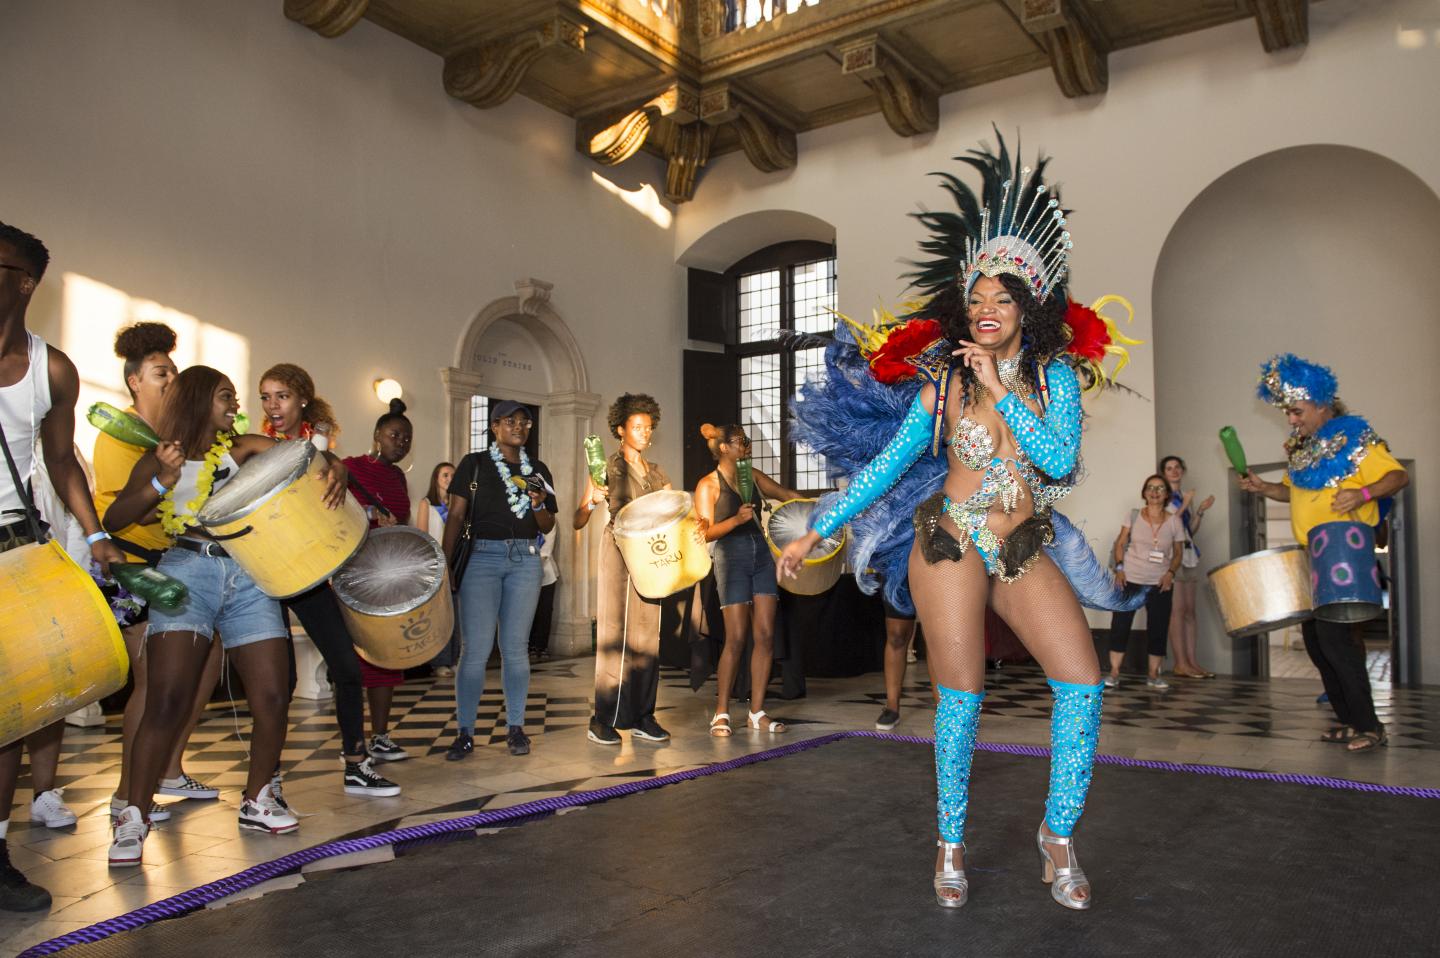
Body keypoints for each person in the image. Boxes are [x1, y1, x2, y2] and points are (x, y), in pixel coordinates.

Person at [782, 141, 1144, 911]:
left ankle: (1059, 834)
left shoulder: (1057, 382)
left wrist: (1002, 393)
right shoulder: (943, 384)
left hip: (1018, 542)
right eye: (976, 298)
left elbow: (1058, 462)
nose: (985, 310)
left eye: (1002, 300)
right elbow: (886, 463)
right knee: (962, 697)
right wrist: (821, 526)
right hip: (946, 539)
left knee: (1081, 685)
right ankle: (949, 843)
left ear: (1028, 309)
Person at [104, 365, 348, 865]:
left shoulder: (244, 448)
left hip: (250, 575)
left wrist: (337, 468)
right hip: (188, 572)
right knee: (167, 699)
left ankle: (259, 797)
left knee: (275, 693)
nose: (236, 406)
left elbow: (311, 455)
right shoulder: (160, 456)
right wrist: (161, 481)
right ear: (197, 399)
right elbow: (115, 518)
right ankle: (133, 811)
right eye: (226, 397)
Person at [0, 222, 125, 909]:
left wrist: (97, 532)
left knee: (11, 714)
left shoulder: (53, 369)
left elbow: (56, 461)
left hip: (15, 547)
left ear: (25, 282)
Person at [1239, 354, 1408, 753]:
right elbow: (1293, 493)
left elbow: (1398, 475)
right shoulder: (1302, 449)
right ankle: (1349, 720)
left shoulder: (1353, 437)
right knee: (1317, 642)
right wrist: (1266, 489)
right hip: (1310, 551)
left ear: (1320, 403)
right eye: (1289, 413)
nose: (1292, 420)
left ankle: (1370, 725)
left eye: (1297, 411)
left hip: (1341, 548)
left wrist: (1363, 493)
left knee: (1336, 640)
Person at [96, 323, 223, 823]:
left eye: (173, 372)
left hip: (176, 561)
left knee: (207, 661)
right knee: (151, 679)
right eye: (160, 373)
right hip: (131, 563)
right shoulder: (119, 434)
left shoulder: (175, 435)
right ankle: (129, 793)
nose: (170, 381)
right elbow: (124, 510)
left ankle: (170, 768)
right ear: (135, 381)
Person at [258, 364, 399, 797]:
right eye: (265, 397)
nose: (272, 405)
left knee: (345, 665)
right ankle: (267, 777)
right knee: (276, 682)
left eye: (281, 396)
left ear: (302, 398)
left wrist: (333, 463)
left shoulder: (319, 449)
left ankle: (356, 764)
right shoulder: (258, 445)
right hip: (264, 569)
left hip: (309, 571)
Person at [441, 401, 556, 759]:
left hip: (524, 558)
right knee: (474, 650)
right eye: (511, 420)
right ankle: (465, 732)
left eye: (525, 421)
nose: (519, 426)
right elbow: (456, 516)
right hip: (481, 558)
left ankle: (516, 728)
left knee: (515, 649)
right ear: (495, 426)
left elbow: (548, 523)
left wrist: (538, 504)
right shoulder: (473, 464)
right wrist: (444, 567)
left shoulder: (537, 469)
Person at [574, 393, 673, 746]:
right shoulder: (606, 468)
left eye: (649, 427)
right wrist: (591, 500)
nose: (645, 433)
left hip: (651, 555)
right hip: (617, 550)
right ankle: (603, 718)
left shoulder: (658, 473)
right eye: (637, 427)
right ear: (620, 429)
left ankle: (643, 715)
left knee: (648, 635)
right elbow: (577, 519)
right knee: (614, 634)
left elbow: (671, 511)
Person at [694, 423, 803, 737]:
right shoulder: (708, 485)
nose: (747, 446)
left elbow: (786, 495)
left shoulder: (751, 475)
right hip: (731, 556)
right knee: (737, 638)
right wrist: (735, 520)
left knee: (766, 635)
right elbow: (703, 533)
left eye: (747, 441)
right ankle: (721, 712)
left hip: (761, 554)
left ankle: (757, 712)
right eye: (741, 441)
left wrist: (817, 508)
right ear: (724, 447)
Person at [343, 399, 415, 762]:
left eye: (406, 439)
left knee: (387, 656)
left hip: (385, 571)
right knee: (354, 660)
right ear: (377, 436)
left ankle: (381, 735)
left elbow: (402, 522)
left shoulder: (399, 477)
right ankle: (354, 742)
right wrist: (372, 514)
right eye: (394, 435)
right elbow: (335, 509)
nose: (400, 442)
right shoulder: (350, 467)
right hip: (354, 570)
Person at [1106, 474, 1185, 690]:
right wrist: (1120, 569)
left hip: (1160, 582)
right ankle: (1114, 672)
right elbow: (1120, 544)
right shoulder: (1133, 515)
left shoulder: (1174, 521)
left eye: (1160, 488)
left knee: (1158, 627)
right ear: (1144, 492)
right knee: (1120, 625)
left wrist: (1170, 572)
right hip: (1130, 578)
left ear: (1166, 494)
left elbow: (1178, 553)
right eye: (1150, 487)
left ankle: (1153, 674)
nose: (1154, 492)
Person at [1158, 455, 1215, 678]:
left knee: (1191, 612)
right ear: (1164, 473)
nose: (1174, 471)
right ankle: (1180, 662)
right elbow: (1168, 525)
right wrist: (1185, 503)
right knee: (1178, 611)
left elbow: (1189, 529)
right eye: (1169, 468)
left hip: (1190, 556)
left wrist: (1199, 510)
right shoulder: (1163, 497)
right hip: (1173, 557)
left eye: (1177, 467)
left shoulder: (1183, 497)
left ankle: (1192, 661)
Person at [415, 461, 459, 676]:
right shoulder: (427, 504)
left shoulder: (458, 505)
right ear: (436, 479)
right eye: (445, 475)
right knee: (439, 616)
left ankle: (454, 658)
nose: (449, 478)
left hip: (455, 565)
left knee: (456, 615)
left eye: (452, 475)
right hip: (435, 565)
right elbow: (422, 537)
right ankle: (438, 662)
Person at [528, 531, 559, 662]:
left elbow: (546, 551)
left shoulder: (549, 520)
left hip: (546, 573)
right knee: (528, 611)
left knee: (544, 611)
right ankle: (529, 645)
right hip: (524, 573)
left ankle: (541, 646)